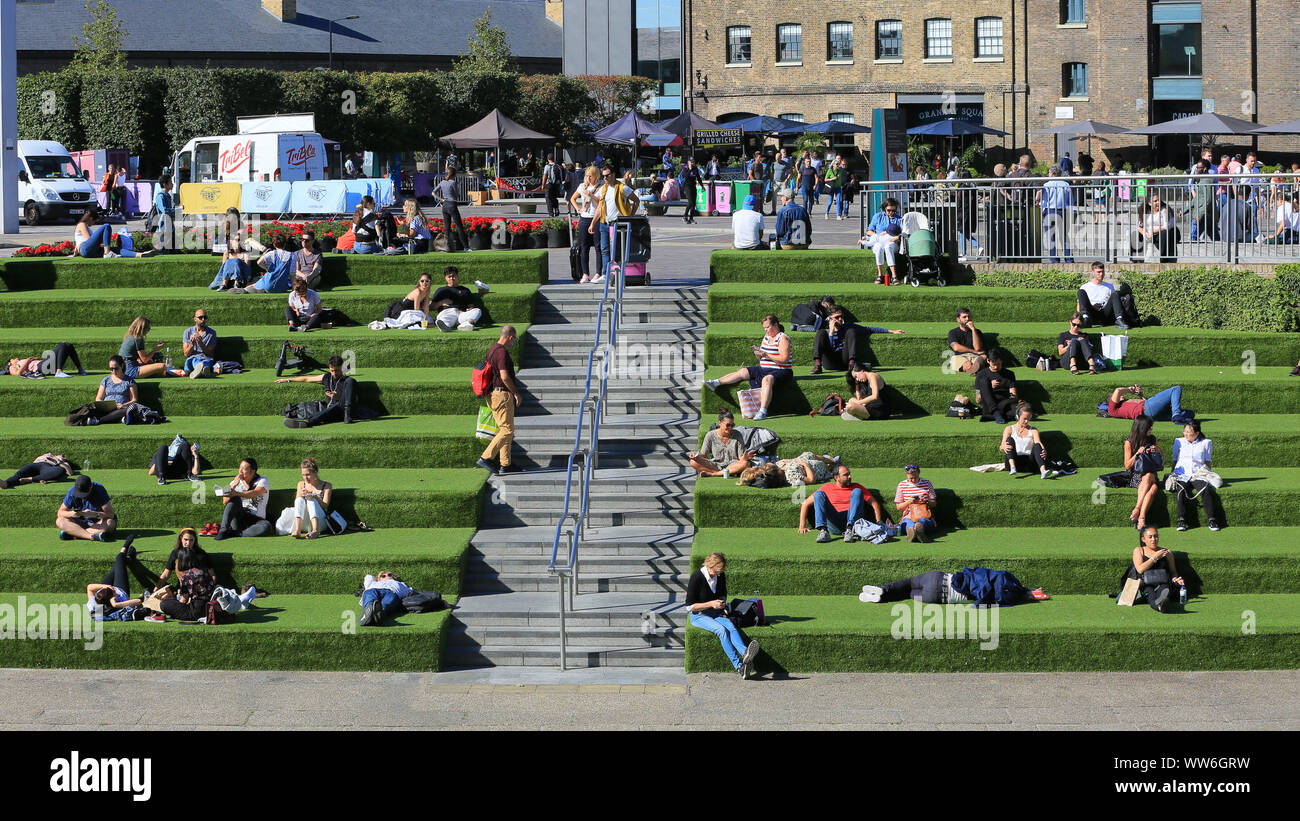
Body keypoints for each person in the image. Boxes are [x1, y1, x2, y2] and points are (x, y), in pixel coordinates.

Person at [703, 314, 792, 421]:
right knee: (743, 371)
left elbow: (784, 359)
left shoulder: (783, 338)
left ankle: (762, 411)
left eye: (768, 327)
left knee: (767, 379)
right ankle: (716, 382)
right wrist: (758, 354)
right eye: (764, 328)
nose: (766, 330)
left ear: (775, 324)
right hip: (764, 368)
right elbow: (761, 359)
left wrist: (766, 355)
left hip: (781, 370)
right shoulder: (766, 337)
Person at [686, 552, 761, 679]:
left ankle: (745, 653)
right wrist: (710, 603)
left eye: (720, 572)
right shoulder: (696, 577)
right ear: (710, 566)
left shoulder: (720, 576)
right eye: (717, 572)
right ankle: (739, 666)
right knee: (722, 631)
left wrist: (721, 602)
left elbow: (722, 594)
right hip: (698, 615)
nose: (719, 574)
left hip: (716, 612)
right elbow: (689, 606)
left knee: (731, 627)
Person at [798, 465, 889, 543]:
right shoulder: (827, 487)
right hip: (834, 523)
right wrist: (802, 526)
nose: (849, 476)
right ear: (837, 477)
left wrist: (879, 522)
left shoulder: (856, 486)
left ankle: (850, 529)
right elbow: (805, 503)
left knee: (857, 491)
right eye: (846, 475)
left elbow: (874, 503)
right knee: (818, 494)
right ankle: (823, 531)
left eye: (849, 474)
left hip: (853, 522)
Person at [476, 325, 521, 475]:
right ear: (510, 337)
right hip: (502, 394)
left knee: (505, 429)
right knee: (507, 430)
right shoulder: (501, 352)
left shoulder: (493, 349)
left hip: (493, 395)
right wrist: (516, 393)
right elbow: (504, 377)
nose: (513, 342)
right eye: (513, 339)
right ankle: (486, 457)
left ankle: (505, 464)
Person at [275, 354, 362, 426]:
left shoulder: (348, 381)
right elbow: (307, 379)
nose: (334, 373)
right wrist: (288, 380)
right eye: (332, 371)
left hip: (348, 412)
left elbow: (356, 400)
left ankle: (309, 422)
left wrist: (338, 397)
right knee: (334, 406)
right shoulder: (327, 377)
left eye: (337, 370)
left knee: (350, 381)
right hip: (332, 412)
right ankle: (306, 423)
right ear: (329, 368)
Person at [812, 308, 903, 374]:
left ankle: (852, 364)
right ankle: (817, 365)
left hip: (845, 360)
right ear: (830, 319)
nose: (840, 319)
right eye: (837, 317)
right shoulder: (826, 332)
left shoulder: (847, 326)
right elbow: (832, 347)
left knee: (851, 331)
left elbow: (868, 329)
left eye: (841, 316)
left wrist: (891, 331)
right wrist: (831, 333)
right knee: (820, 332)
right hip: (830, 363)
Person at [1171, 420, 1221, 532]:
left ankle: (1212, 519)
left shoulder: (1206, 443)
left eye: (1190, 432)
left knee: (1206, 490)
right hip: (1182, 474)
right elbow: (1175, 459)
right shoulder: (1178, 441)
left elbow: (1208, 461)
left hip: (1198, 474)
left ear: (1197, 433)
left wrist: (1207, 474)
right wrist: (1172, 473)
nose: (1187, 434)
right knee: (1181, 490)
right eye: (1185, 431)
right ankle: (1181, 520)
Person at [591, 167, 640, 279]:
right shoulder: (603, 188)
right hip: (604, 222)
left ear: (613, 174)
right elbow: (600, 207)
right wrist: (593, 223)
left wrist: (630, 216)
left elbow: (636, 201)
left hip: (618, 223)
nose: (605, 178)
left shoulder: (623, 188)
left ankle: (620, 273)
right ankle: (605, 274)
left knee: (619, 249)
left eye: (607, 175)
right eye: (603, 176)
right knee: (604, 249)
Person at [1123, 527, 1185, 612]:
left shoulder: (1167, 553)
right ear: (1143, 539)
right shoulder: (1139, 550)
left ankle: (1162, 602)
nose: (1154, 539)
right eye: (1150, 537)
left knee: (1164, 590)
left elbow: (1173, 572)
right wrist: (1155, 557)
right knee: (1149, 593)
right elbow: (1140, 569)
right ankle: (1160, 605)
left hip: (1162, 582)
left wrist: (1176, 580)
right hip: (1145, 584)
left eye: (1156, 536)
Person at [213, 458, 271, 541]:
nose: (240, 472)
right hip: (240, 517)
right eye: (239, 468)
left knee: (266, 526)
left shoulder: (262, 480)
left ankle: (235, 533)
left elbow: (255, 493)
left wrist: (236, 493)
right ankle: (223, 530)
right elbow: (224, 501)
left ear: (252, 471)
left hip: (256, 520)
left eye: (244, 469)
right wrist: (233, 485)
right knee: (234, 499)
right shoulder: (234, 482)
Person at [1121, 414, 1161, 531]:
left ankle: (1137, 509)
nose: (1151, 429)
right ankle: (1142, 517)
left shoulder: (1153, 438)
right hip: (1136, 474)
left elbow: (1157, 461)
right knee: (1153, 488)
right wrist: (1138, 453)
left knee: (1149, 476)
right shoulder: (1129, 442)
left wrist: (1154, 451)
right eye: (1149, 427)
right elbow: (1127, 465)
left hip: (1151, 472)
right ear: (1142, 428)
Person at [688, 409, 755, 478]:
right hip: (715, 465)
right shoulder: (710, 435)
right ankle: (727, 473)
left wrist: (745, 457)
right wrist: (696, 457)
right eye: (728, 425)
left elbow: (741, 457)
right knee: (693, 462)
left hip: (732, 465)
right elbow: (703, 455)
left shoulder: (737, 434)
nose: (730, 428)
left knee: (745, 463)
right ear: (720, 423)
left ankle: (713, 474)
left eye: (732, 425)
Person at [87, 542, 144, 619]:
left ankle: (126, 558)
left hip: (106, 596)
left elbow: (89, 587)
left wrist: (106, 586)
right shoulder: (118, 604)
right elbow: (138, 601)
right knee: (119, 558)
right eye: (113, 590)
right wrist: (116, 605)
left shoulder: (94, 604)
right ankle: (124, 550)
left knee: (116, 568)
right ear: (114, 597)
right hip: (122, 589)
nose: (113, 588)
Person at [1000, 402, 1057, 479]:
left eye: (1028, 418)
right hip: (1014, 460)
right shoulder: (1009, 429)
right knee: (1009, 440)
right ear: (1018, 416)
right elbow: (1002, 445)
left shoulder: (1033, 430)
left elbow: (1038, 442)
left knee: (1037, 446)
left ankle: (1043, 471)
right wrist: (1004, 446)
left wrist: (1043, 450)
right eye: (1024, 419)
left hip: (1029, 463)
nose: (1027, 421)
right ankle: (1013, 468)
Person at [1074, 261, 1137, 329]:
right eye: (1098, 272)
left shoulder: (1109, 286)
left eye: (1102, 272)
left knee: (1115, 294)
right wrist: (1078, 318)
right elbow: (1079, 305)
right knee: (1081, 292)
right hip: (1091, 314)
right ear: (1093, 272)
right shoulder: (1085, 286)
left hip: (1105, 313)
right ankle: (1085, 318)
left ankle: (1119, 319)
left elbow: (1112, 303)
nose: (1101, 274)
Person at [57, 474, 116, 541]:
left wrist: (94, 514)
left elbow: (110, 515)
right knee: (60, 521)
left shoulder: (99, 490)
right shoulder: (72, 491)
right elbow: (60, 513)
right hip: (81, 522)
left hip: (98, 523)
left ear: (91, 486)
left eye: (84, 493)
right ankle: (92, 536)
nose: (82, 496)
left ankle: (75, 533)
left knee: (110, 523)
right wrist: (72, 513)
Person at [74, 209, 152, 258]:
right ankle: (107, 253)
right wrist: (103, 243)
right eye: (95, 221)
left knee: (117, 249)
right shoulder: (82, 224)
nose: (94, 223)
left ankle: (140, 255)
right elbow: (89, 239)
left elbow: (80, 242)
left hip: (89, 252)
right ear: (91, 218)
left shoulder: (85, 226)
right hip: (85, 248)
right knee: (106, 226)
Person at [569, 165, 601, 283]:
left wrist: (591, 195)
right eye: (587, 176)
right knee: (584, 247)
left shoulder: (601, 187)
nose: (588, 178)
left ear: (596, 176)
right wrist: (578, 209)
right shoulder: (582, 186)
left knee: (598, 247)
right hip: (584, 218)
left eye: (591, 176)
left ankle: (598, 273)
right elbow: (573, 198)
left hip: (596, 218)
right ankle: (585, 274)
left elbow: (601, 203)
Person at [1036, 165, 1074, 264]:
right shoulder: (1066, 184)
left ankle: (1054, 259)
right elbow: (1070, 200)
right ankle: (1068, 258)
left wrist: (1042, 210)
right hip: (1063, 211)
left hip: (1050, 210)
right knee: (1064, 236)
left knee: (1050, 236)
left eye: (1049, 173)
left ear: (1052, 173)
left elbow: (1044, 200)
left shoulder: (1046, 185)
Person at [861, 198, 903, 284]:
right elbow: (869, 231)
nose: (891, 212)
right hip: (878, 241)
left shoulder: (899, 219)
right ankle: (880, 275)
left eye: (893, 210)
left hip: (892, 242)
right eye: (889, 210)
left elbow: (904, 232)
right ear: (884, 209)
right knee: (879, 247)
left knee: (888, 247)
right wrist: (877, 236)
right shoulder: (877, 216)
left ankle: (894, 276)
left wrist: (897, 237)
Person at [431, 266, 486, 331]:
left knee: (477, 311)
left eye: (453, 276)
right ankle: (445, 326)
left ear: (457, 276)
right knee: (443, 318)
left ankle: (466, 324)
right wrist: (441, 302)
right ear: (445, 278)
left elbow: (470, 305)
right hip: (448, 312)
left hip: (461, 314)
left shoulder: (465, 290)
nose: (452, 278)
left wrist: (469, 309)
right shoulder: (441, 290)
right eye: (449, 276)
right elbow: (431, 307)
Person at [291, 457, 333, 539]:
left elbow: (325, 506)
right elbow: (297, 503)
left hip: (321, 522)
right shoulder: (300, 484)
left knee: (311, 500)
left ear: (315, 472)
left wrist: (315, 497)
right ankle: (298, 530)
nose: (305, 478)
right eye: (303, 475)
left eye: (308, 475)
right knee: (299, 500)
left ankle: (315, 531)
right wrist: (302, 494)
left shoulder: (327, 486)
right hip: (305, 521)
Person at [1106, 383, 1191, 424]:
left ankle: (1176, 416)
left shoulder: (1125, 403)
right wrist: (1130, 389)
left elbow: (1147, 405)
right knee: (1176, 389)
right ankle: (1176, 414)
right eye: (1120, 396)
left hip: (1151, 413)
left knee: (1190, 414)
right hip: (1147, 410)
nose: (1122, 396)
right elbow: (1118, 390)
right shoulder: (1112, 410)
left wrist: (1141, 396)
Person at [894, 463, 936, 543]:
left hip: (924, 514)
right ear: (906, 475)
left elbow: (934, 503)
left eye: (915, 477)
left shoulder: (927, 483)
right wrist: (909, 501)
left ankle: (917, 529)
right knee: (908, 523)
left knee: (922, 521)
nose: (913, 480)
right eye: (911, 478)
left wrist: (926, 501)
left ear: (919, 473)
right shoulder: (901, 485)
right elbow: (899, 507)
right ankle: (914, 532)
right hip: (908, 515)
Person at [973, 351, 1018, 423]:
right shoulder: (981, 374)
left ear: (1002, 361)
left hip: (1004, 404)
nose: (996, 367)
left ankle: (992, 416)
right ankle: (996, 413)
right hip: (989, 404)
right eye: (994, 364)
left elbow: (1014, 396)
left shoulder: (1009, 374)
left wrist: (1003, 404)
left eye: (998, 364)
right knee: (984, 381)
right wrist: (989, 387)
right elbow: (978, 400)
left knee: (1020, 411)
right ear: (988, 361)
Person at [93, 355, 140, 424]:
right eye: (111, 369)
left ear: (122, 366)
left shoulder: (129, 381)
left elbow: (134, 400)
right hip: (107, 408)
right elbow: (98, 398)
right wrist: (104, 405)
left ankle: (99, 420)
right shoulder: (106, 380)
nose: (113, 371)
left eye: (116, 368)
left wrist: (123, 405)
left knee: (127, 410)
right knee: (90, 409)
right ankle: (117, 419)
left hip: (121, 408)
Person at [432, 171, 469, 252]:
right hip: (452, 204)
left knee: (447, 228)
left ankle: (445, 247)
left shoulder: (442, 182)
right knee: (459, 226)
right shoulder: (453, 183)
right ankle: (466, 247)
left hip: (444, 205)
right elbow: (457, 194)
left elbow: (433, 192)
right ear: (454, 175)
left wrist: (441, 199)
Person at [1136, 193, 1179, 262]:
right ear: (1150, 203)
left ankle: (1164, 260)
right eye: (1155, 201)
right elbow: (1140, 227)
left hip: (1163, 232)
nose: (1158, 202)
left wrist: (1152, 232)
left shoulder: (1164, 210)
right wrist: (1145, 233)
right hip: (1149, 234)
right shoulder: (1146, 211)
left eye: (1159, 200)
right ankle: (1136, 259)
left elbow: (1166, 226)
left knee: (1164, 234)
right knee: (1135, 235)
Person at [946, 308, 988, 375]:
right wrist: (973, 351)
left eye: (968, 316)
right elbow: (956, 347)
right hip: (959, 356)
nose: (967, 319)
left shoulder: (977, 332)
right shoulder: (953, 332)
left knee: (984, 356)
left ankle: (973, 369)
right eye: (964, 317)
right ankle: (974, 369)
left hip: (975, 356)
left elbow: (977, 348)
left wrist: (973, 329)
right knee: (968, 364)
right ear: (958, 319)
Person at [7, 343, 85, 378]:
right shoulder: (11, 366)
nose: (16, 358)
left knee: (69, 345)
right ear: (10, 361)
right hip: (41, 368)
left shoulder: (19, 362)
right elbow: (18, 373)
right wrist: (28, 360)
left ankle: (80, 369)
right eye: (14, 358)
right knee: (63, 345)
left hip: (43, 365)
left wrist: (32, 359)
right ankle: (58, 372)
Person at [2, 452, 75, 489]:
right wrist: (48, 456)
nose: (62, 457)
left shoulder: (64, 463)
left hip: (48, 467)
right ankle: (6, 483)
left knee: (60, 470)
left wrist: (58, 461)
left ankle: (30, 479)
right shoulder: (45, 456)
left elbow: (70, 473)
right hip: (37, 465)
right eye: (61, 455)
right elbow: (34, 462)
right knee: (22, 472)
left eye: (63, 457)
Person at [182, 308, 217, 378]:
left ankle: (199, 370)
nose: (203, 319)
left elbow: (210, 353)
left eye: (205, 317)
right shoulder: (187, 332)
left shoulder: (212, 333)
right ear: (195, 319)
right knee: (193, 360)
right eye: (200, 317)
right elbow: (186, 354)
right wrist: (192, 344)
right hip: (191, 360)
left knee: (205, 362)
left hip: (205, 358)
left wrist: (201, 343)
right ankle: (202, 371)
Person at [152, 177, 176, 253]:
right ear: (164, 184)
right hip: (163, 225)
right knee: (163, 247)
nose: (172, 184)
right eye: (170, 182)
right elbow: (164, 210)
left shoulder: (167, 195)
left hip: (169, 223)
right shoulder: (160, 196)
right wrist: (176, 210)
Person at [680, 157, 702, 224]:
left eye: (693, 162)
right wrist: (689, 169)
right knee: (690, 202)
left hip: (693, 186)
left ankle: (691, 218)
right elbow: (685, 177)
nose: (693, 163)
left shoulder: (695, 168)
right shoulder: (685, 169)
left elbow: (698, 177)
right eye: (691, 162)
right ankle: (684, 216)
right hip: (687, 186)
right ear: (688, 162)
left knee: (694, 203)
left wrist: (702, 186)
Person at [823, 154, 845, 220]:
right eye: (836, 164)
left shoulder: (840, 171)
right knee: (830, 202)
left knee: (838, 201)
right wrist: (832, 179)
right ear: (833, 165)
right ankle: (826, 213)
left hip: (838, 187)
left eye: (838, 164)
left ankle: (838, 215)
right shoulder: (830, 171)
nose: (838, 165)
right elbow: (825, 179)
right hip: (832, 188)